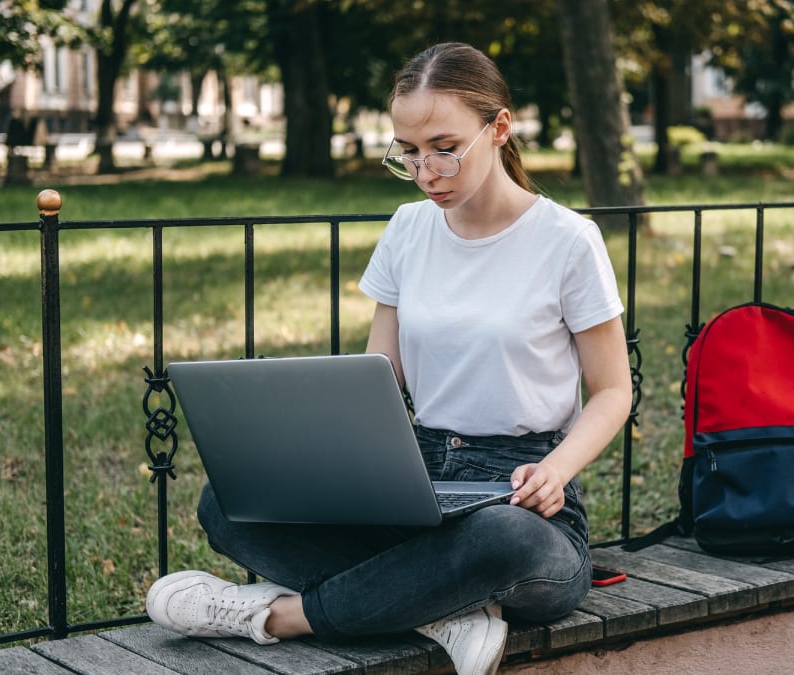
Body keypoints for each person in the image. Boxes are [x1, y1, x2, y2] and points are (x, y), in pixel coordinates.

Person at [145, 42, 632, 675]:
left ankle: (273, 617)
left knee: (499, 541)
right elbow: (381, 376)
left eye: (444, 147)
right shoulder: (407, 229)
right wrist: (319, 448)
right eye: (409, 152)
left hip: (522, 498)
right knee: (227, 502)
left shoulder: (567, 240)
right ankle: (442, 610)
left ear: (499, 128)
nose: (427, 171)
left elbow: (612, 391)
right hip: (416, 482)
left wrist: (555, 471)